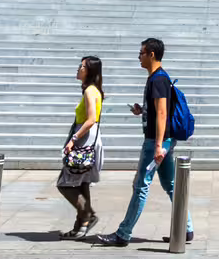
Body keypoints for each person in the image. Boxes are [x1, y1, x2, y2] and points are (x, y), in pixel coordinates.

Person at [94, 38, 192, 247]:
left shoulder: (158, 80)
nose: (139, 57)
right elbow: (157, 111)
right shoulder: (157, 79)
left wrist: (158, 145)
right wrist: (142, 110)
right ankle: (187, 228)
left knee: (141, 185)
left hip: (155, 142)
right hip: (162, 140)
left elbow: (163, 113)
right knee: (171, 185)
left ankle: (123, 234)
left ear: (151, 55)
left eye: (141, 53)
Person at [56, 56, 104, 238]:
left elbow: (91, 119)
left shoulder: (90, 92)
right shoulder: (94, 90)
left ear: (89, 71)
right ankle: (80, 224)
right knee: (82, 183)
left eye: (82, 66)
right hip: (89, 139)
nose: (78, 68)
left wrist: (73, 139)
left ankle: (87, 214)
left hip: (84, 140)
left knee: (65, 183)